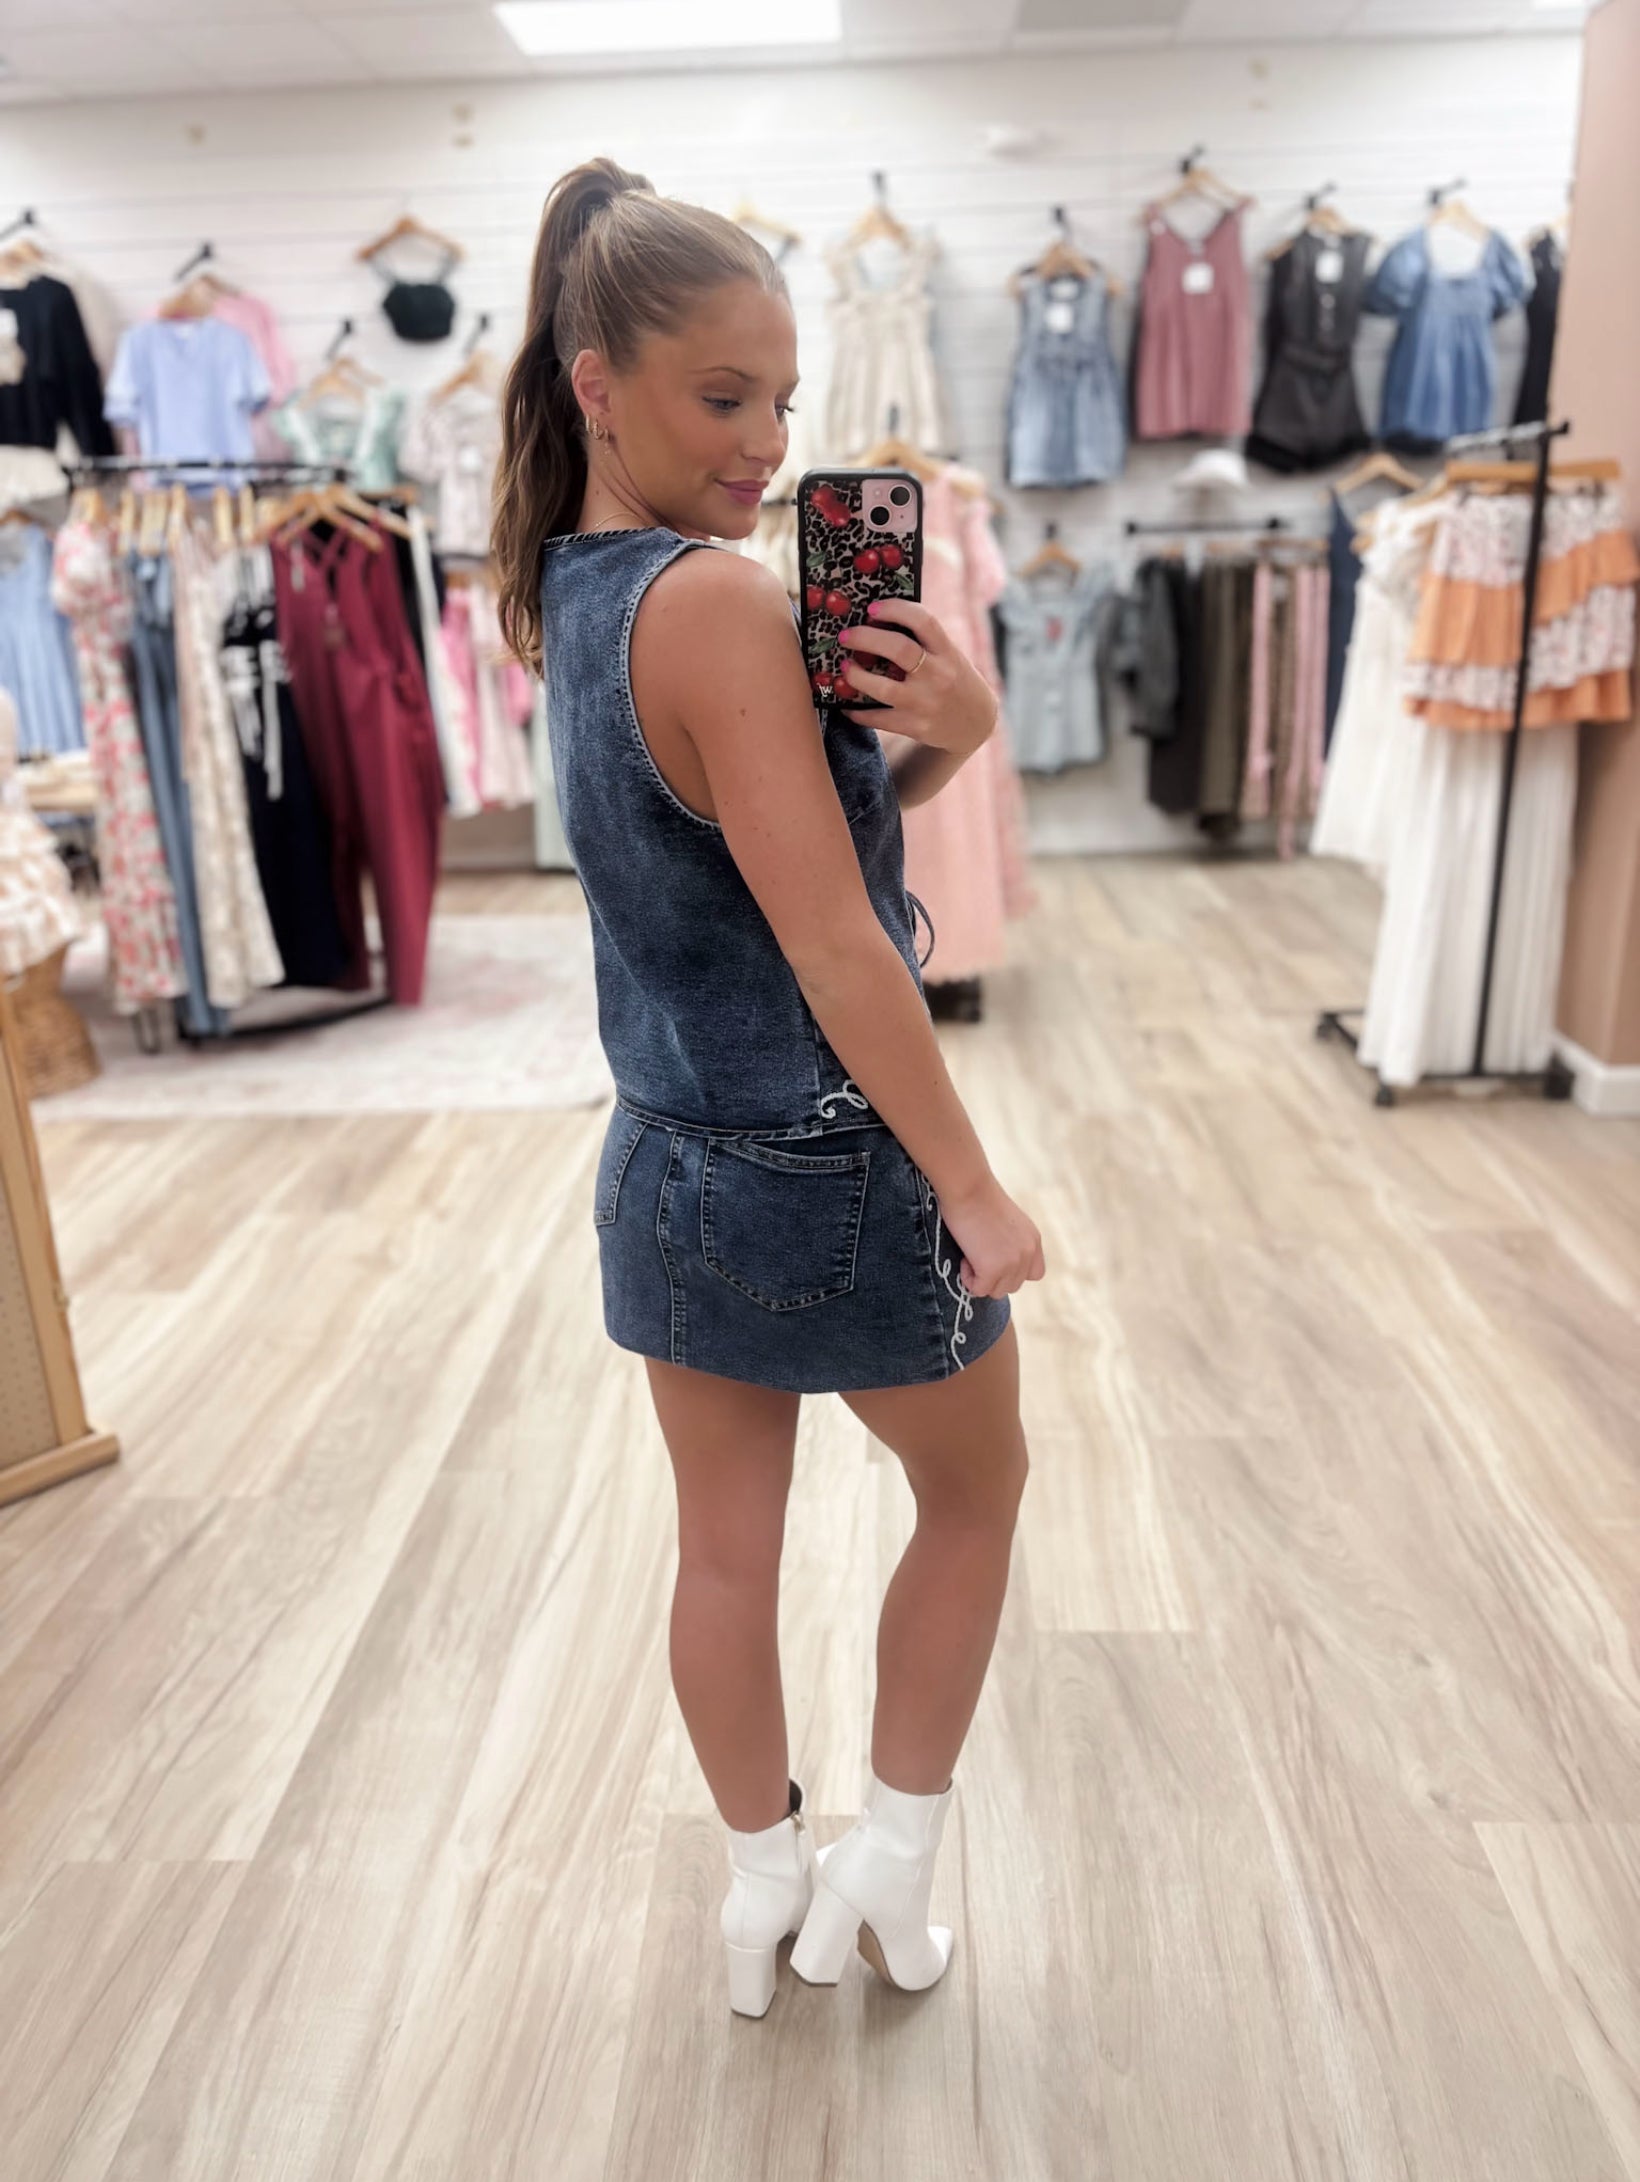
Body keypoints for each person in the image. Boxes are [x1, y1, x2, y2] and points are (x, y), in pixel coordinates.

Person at [494, 158, 1046, 2020]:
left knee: (723, 1553)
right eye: (724, 395)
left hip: (666, 1158)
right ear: (598, 384)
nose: (767, 442)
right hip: (831, 1164)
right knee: (977, 1491)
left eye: (784, 399)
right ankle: (890, 1866)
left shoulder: (568, 593)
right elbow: (835, 944)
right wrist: (971, 1181)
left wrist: (941, 740)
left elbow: (764, 866)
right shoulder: (723, 606)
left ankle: (762, 1886)